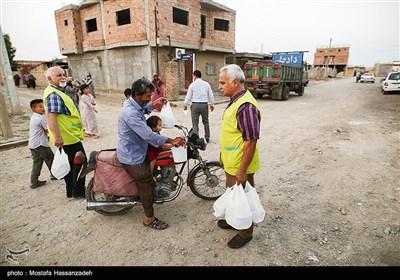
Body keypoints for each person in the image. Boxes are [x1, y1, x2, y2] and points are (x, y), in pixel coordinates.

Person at [117, 78, 184, 230]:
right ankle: (149, 218)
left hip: (138, 148)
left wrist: (155, 102)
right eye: (148, 96)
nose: (149, 98)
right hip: (132, 155)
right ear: (136, 94)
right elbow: (149, 135)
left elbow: (145, 108)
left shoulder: (135, 104)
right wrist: (172, 140)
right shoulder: (130, 113)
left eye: (151, 96)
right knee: (147, 183)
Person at [217, 64, 262, 249]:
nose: (220, 86)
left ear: (235, 82)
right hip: (232, 162)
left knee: (242, 197)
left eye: (222, 83)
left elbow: (250, 141)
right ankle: (234, 220)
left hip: (239, 165)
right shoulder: (236, 100)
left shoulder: (246, 106)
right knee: (233, 195)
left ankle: (246, 232)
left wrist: (242, 171)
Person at [43, 66, 86, 199]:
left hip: (69, 136)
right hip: (67, 138)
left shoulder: (58, 91)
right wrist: (58, 137)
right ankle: (78, 191)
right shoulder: (54, 94)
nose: (63, 77)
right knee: (80, 163)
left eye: (63, 74)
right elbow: (51, 117)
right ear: (50, 79)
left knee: (71, 165)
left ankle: (72, 190)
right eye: (59, 75)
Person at [28, 99, 57, 189]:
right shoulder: (40, 118)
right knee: (50, 158)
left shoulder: (34, 117)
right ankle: (54, 174)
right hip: (40, 144)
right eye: (40, 107)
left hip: (33, 144)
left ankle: (34, 181)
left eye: (43, 106)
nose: (43, 108)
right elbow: (49, 129)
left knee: (37, 162)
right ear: (33, 109)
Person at [183, 70, 215, 143]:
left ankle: (196, 137)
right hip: (204, 105)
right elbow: (211, 94)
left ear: (194, 76)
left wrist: (185, 104)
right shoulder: (206, 84)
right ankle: (207, 137)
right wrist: (212, 104)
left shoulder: (192, 85)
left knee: (195, 123)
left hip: (195, 105)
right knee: (206, 121)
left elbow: (188, 96)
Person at [146, 115, 173, 180]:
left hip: (157, 148)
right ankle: (151, 174)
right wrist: (170, 145)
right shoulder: (153, 134)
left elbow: (162, 140)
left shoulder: (157, 132)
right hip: (152, 150)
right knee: (153, 160)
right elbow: (161, 143)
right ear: (153, 127)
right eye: (159, 125)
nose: (161, 127)